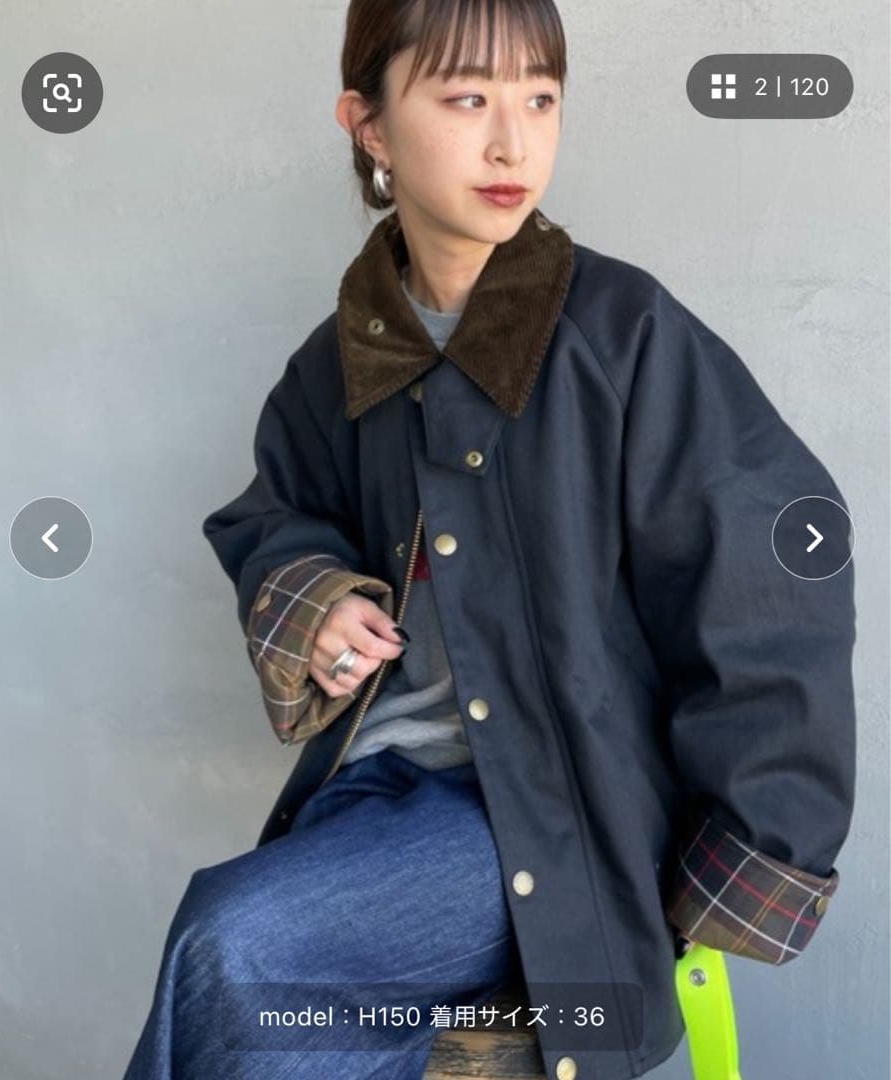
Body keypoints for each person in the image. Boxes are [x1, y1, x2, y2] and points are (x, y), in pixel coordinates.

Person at [123, 1, 857, 1077]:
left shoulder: (622, 337)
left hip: (554, 814)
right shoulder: (335, 366)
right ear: (368, 124)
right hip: (372, 793)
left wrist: (747, 853)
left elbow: (771, 576)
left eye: (540, 99)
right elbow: (275, 514)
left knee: (234, 947)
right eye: (467, 98)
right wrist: (316, 597)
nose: (513, 143)